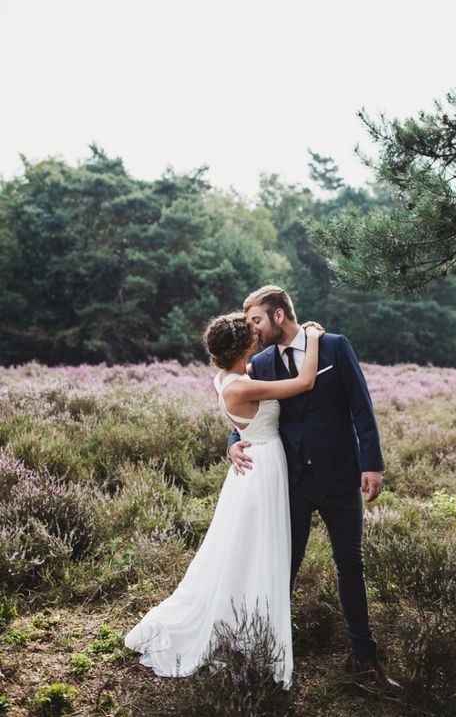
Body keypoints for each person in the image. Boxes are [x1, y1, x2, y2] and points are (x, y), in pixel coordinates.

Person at [124, 311, 323, 690]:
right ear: (244, 345)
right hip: (261, 469)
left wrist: (233, 443)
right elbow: (305, 382)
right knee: (255, 549)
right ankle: (248, 629)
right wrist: (312, 338)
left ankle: (247, 621)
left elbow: (240, 425)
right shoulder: (238, 386)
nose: (257, 336)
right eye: (252, 333)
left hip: (258, 463)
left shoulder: (230, 379)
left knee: (245, 549)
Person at [227, 285, 400, 690]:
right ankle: (270, 654)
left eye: (256, 320)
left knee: (350, 565)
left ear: (278, 316)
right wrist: (233, 445)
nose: (252, 331)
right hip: (290, 483)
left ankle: (364, 659)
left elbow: (362, 407)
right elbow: (241, 413)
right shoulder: (262, 362)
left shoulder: (335, 347)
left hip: (341, 477)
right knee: (282, 567)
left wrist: (371, 464)